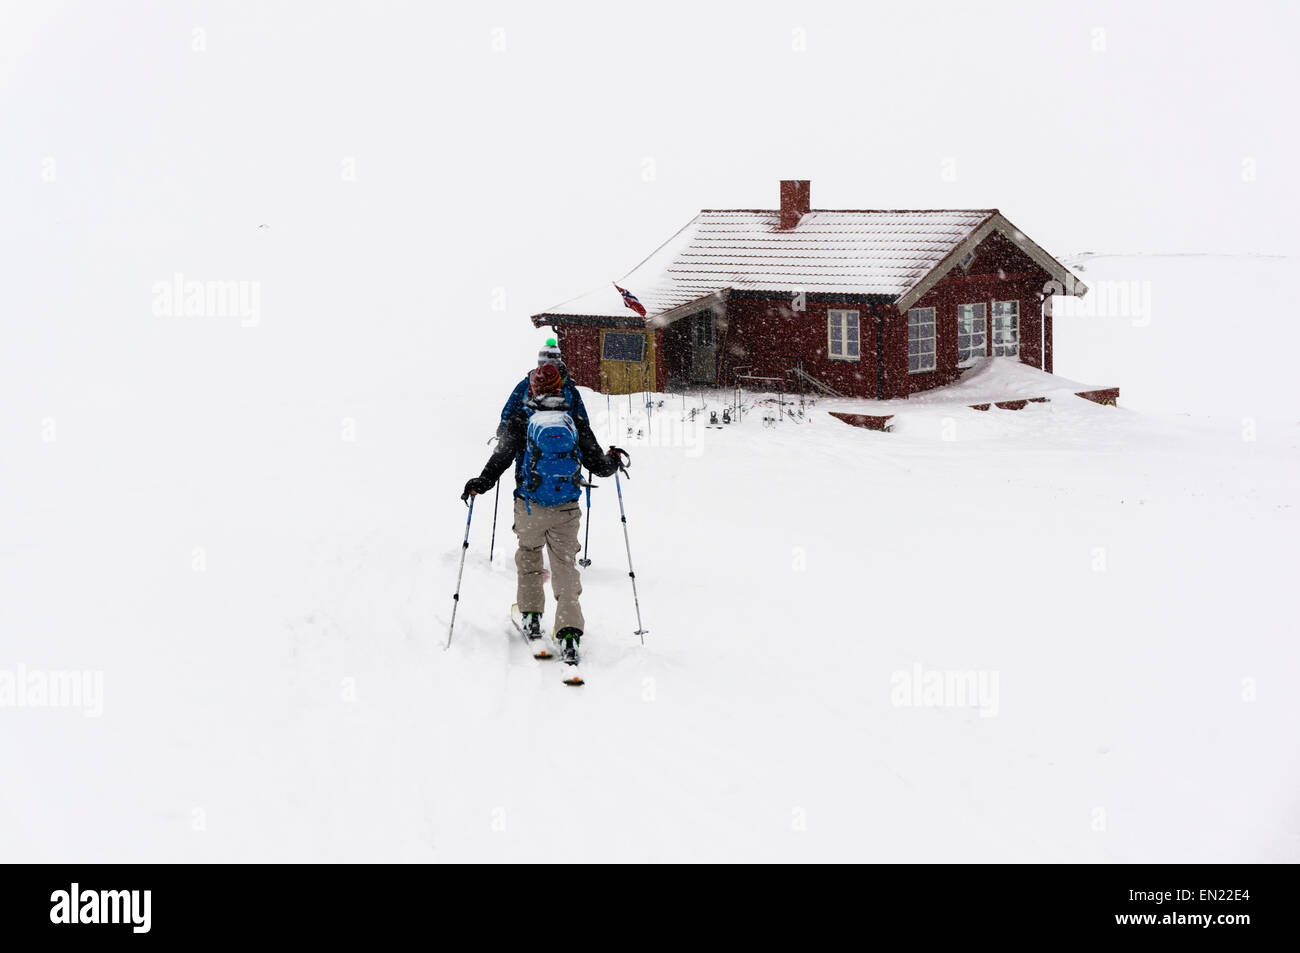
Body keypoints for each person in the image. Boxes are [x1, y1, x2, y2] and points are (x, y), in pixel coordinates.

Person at [463, 363, 628, 662]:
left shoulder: (520, 419)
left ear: (534, 388)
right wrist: (613, 460)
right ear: (559, 386)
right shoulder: (573, 420)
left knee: (529, 555)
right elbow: (599, 467)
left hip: (529, 505)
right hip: (566, 507)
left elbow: (500, 459)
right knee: (564, 566)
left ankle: (531, 616)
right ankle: (568, 632)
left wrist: (480, 484)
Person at [498, 338, 589, 436]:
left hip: (531, 440)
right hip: (564, 440)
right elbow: (581, 417)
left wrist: (503, 428)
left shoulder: (526, 385)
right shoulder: (569, 388)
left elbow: (510, 408)